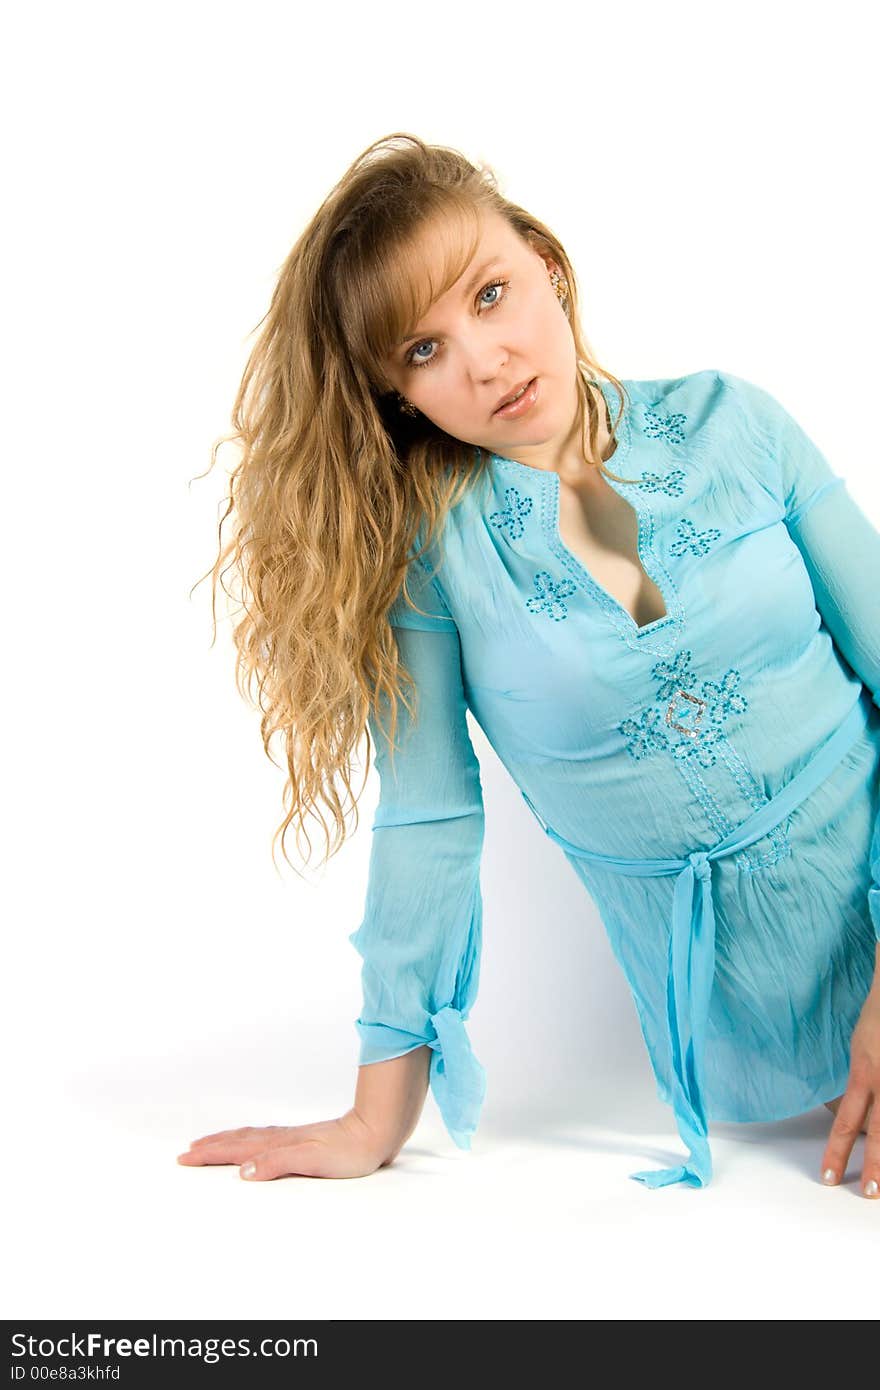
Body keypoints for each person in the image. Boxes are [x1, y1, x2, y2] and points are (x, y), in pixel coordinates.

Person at [178, 132, 880, 1194]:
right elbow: (428, 821)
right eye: (422, 350)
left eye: (491, 294)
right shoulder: (438, 561)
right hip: (755, 998)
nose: (483, 360)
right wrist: (377, 1115)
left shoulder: (735, 425)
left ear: (545, 263)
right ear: (396, 398)